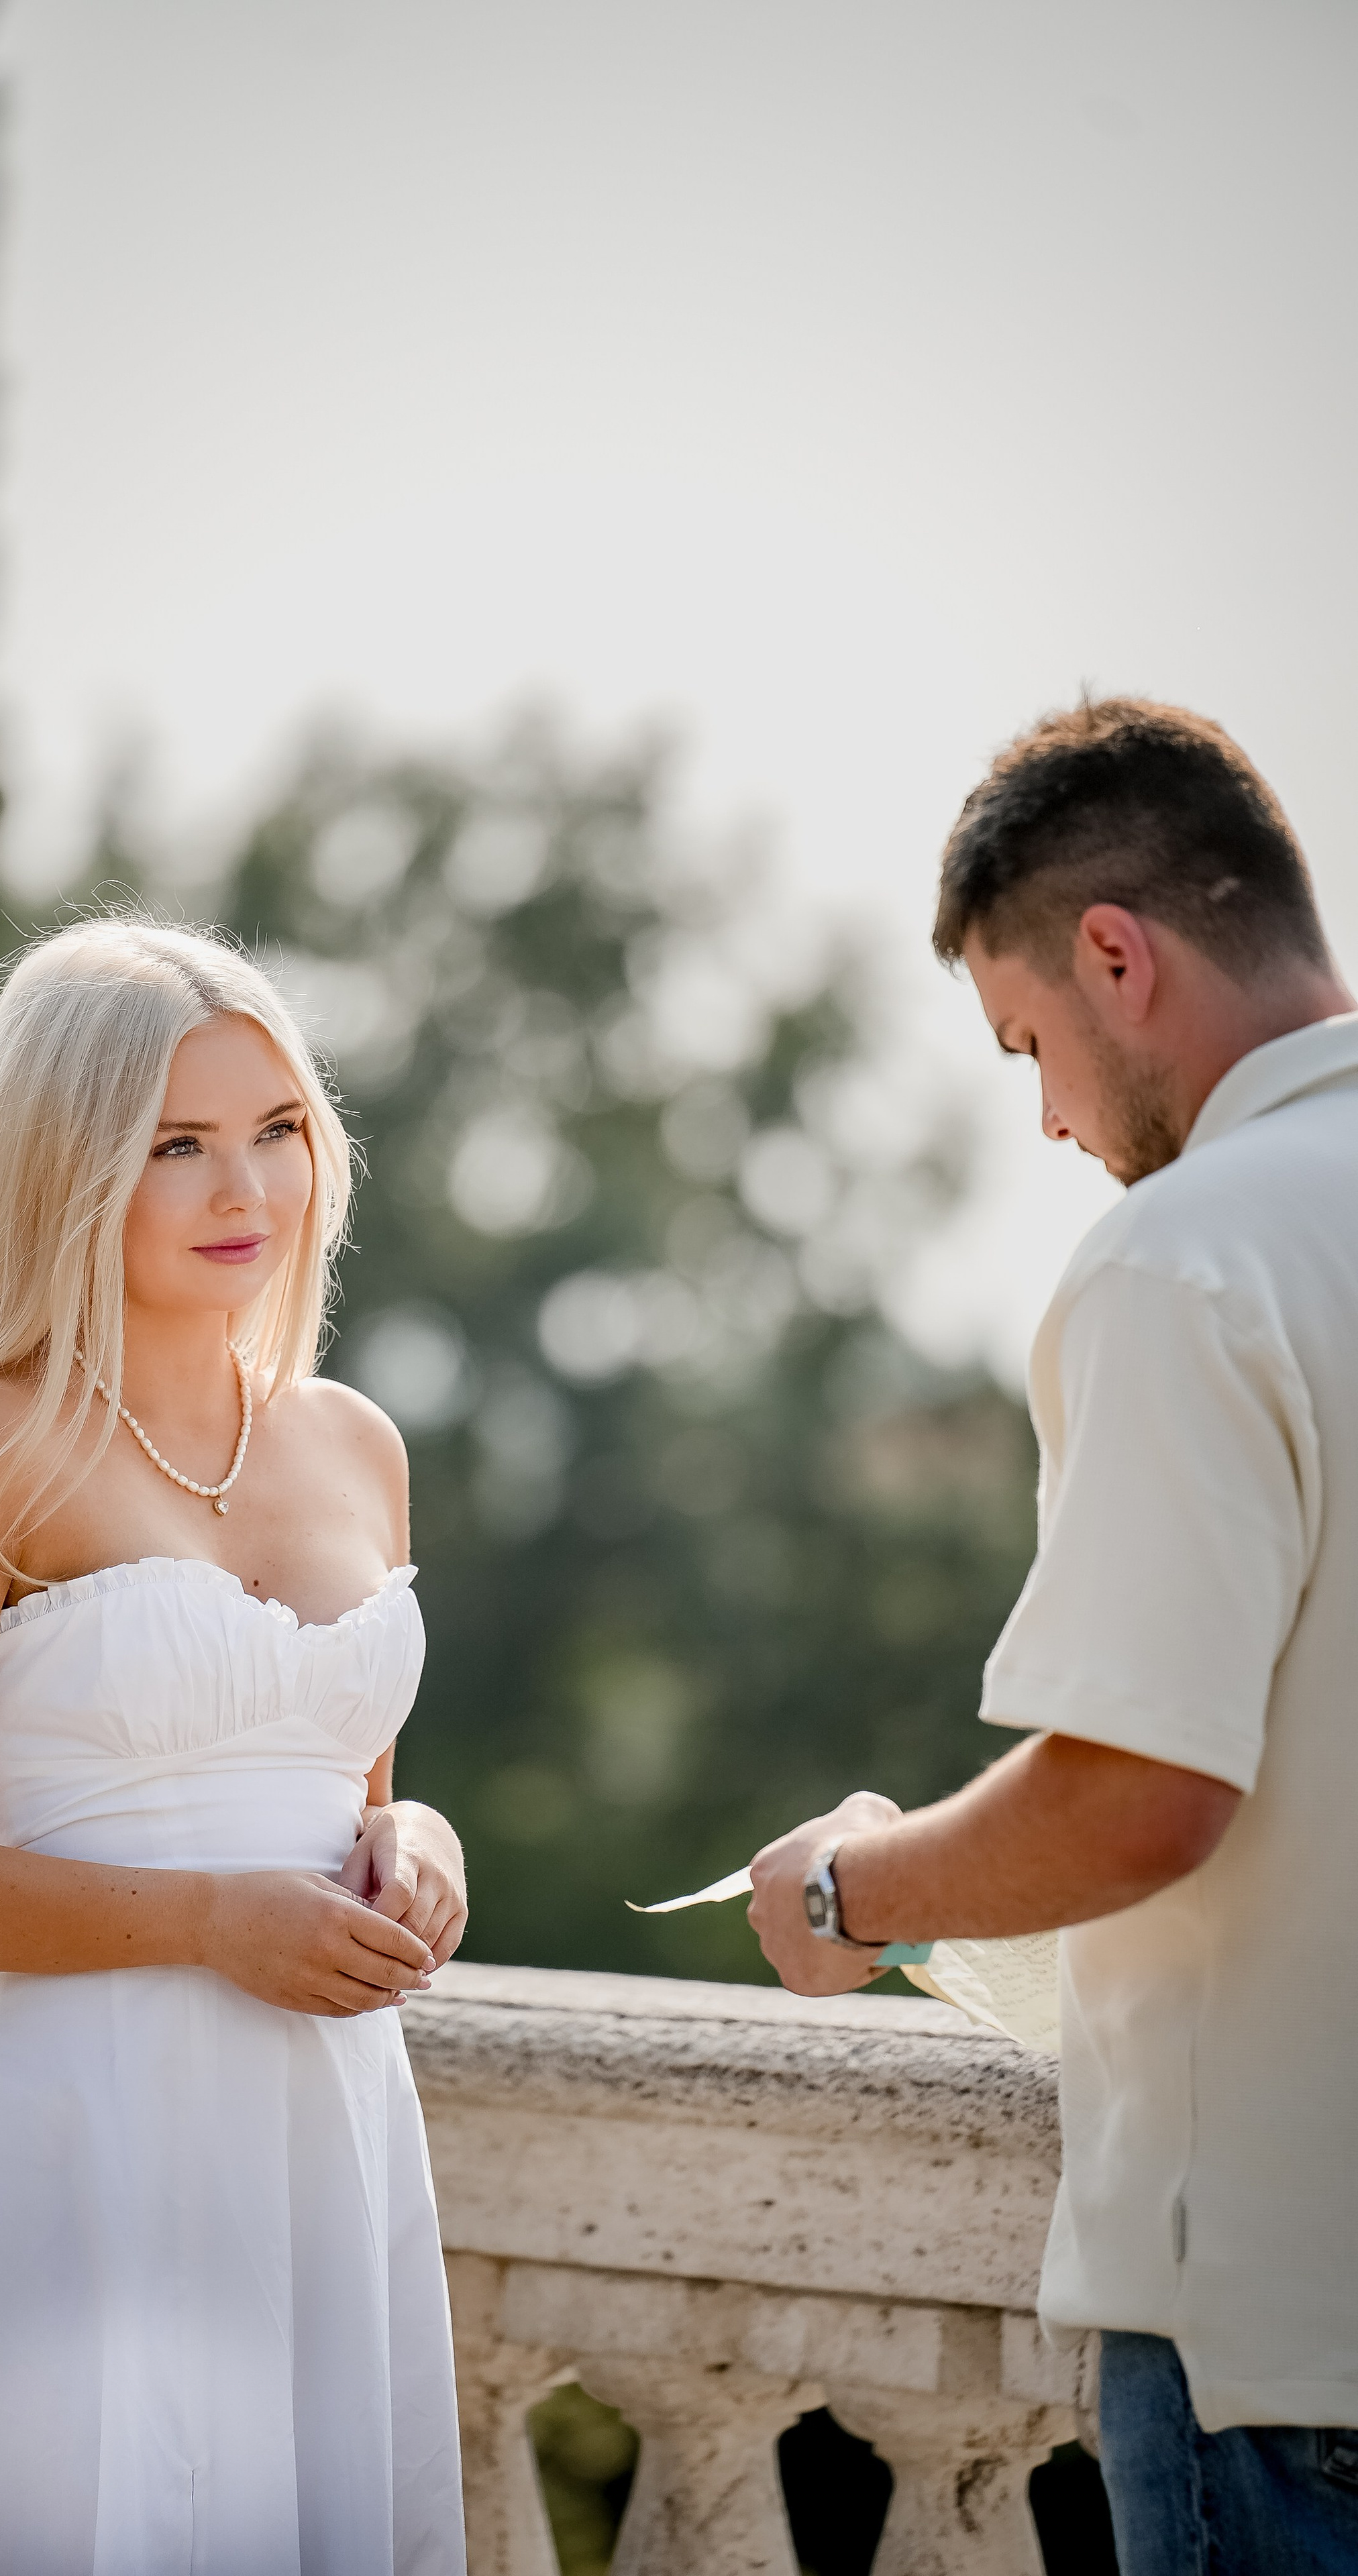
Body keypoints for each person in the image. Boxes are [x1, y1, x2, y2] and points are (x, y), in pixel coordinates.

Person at [746, 700, 1358, 2574]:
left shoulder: (1188, 1259)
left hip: (1285, 2360)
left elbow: (1142, 1794)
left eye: (1032, 1044)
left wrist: (855, 1888)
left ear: (1117, 956)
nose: (1049, 1118)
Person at [0, 917, 468, 2575]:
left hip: (325, 2136)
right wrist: (202, 1925)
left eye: (276, 1133)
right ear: (66, 1164)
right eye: (178, 1147)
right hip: (81, 2144)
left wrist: (420, 1842)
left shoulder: (352, 1445)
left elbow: (335, 1781)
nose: (246, 1191)